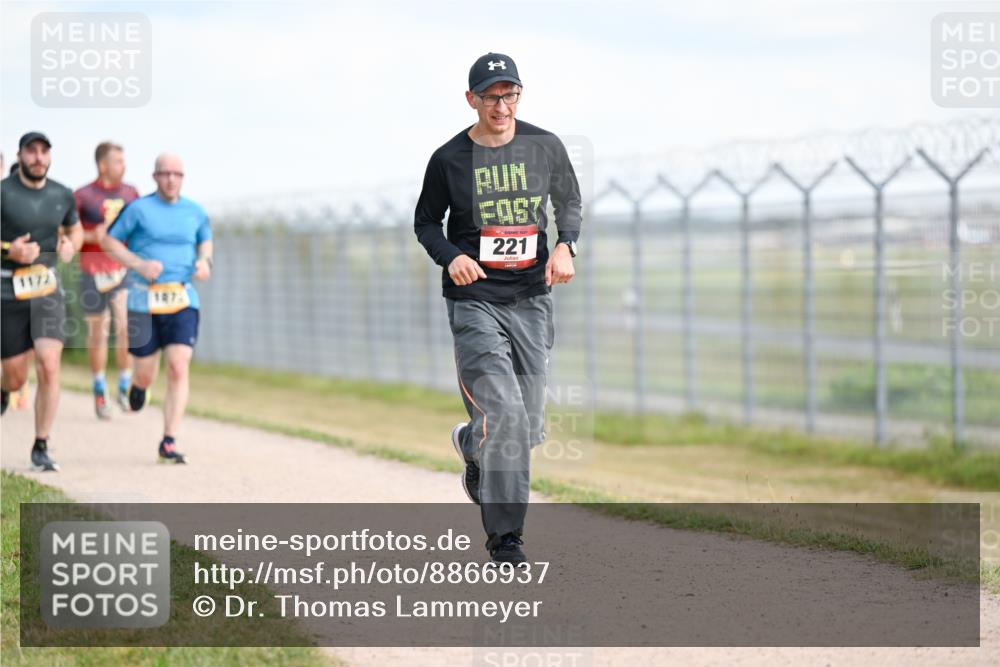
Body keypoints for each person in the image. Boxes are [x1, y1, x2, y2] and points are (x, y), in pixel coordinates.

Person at [414, 53, 582, 564]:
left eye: (510, 94)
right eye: (492, 96)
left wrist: (565, 245)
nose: (502, 105)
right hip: (474, 301)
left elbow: (568, 201)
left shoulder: (544, 145)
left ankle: (471, 443)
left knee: (526, 424)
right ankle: (506, 537)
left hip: (531, 298)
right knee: (505, 412)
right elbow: (426, 222)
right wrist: (453, 256)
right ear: (472, 100)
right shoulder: (448, 159)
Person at [100, 153, 213, 464]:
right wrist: (139, 264)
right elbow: (110, 241)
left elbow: (205, 241)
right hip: (143, 300)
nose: (171, 179)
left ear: (183, 177)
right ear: (155, 176)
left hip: (181, 298)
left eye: (177, 174)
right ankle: (138, 387)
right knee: (147, 372)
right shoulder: (138, 209)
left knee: (178, 365)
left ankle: (169, 440)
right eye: (165, 174)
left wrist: (204, 261)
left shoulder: (195, 211)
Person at [1, 132, 83, 471]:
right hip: (8, 291)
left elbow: (74, 229)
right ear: (20, 155)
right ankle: (6, 389)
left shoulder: (62, 194)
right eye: (31, 151)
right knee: (16, 377)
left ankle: (41, 444)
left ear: (50, 157)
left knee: (49, 364)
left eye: (43, 151)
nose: (38, 157)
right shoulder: (3, 192)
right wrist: (10, 250)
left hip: (47, 289)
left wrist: (70, 246)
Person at [75, 142, 140, 418]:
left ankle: (124, 385)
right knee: (99, 333)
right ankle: (100, 389)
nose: (123, 166)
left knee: (125, 326)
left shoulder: (131, 193)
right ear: (103, 165)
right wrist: (94, 236)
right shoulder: (82, 196)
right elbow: (69, 236)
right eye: (118, 161)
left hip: (121, 270)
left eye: (124, 161)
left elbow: (139, 229)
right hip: (92, 272)